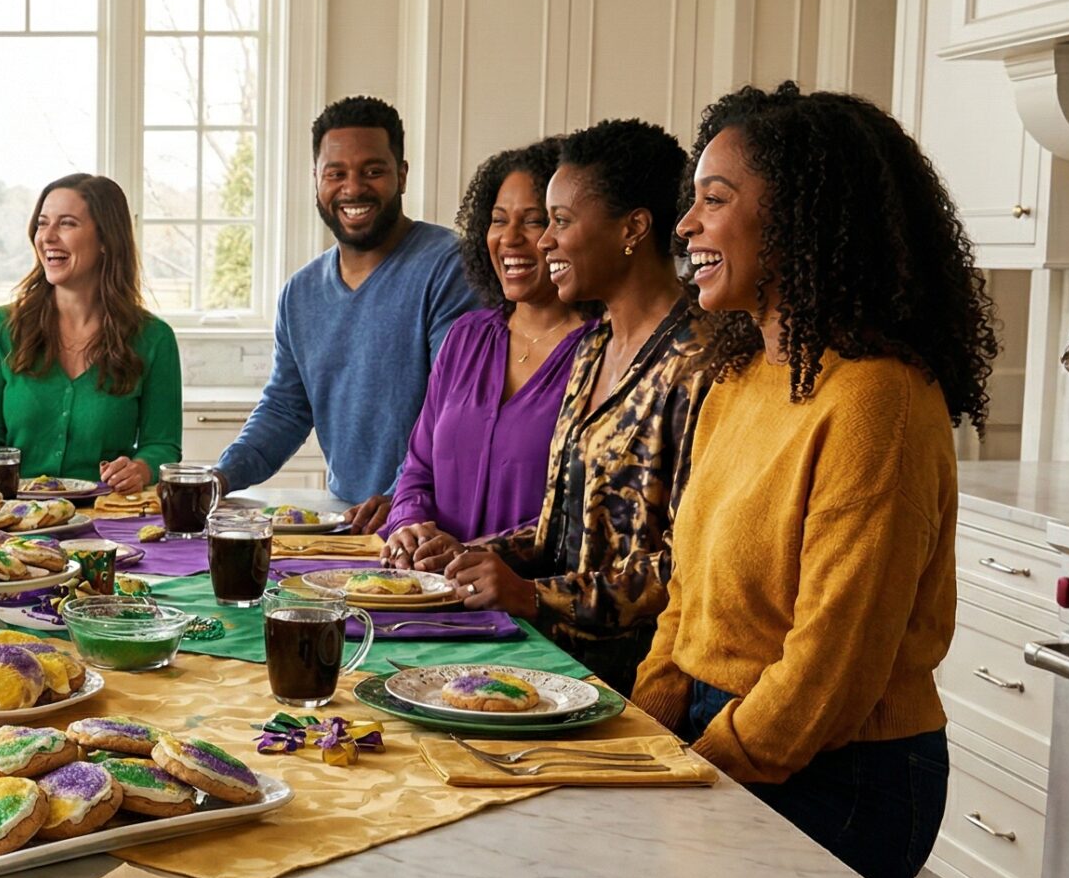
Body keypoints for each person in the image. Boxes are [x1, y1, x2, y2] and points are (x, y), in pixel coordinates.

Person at [638, 84, 989, 878]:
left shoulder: (878, 397)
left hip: (838, 771)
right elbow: (687, 599)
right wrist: (635, 727)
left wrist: (692, 774)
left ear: (798, 217)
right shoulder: (738, 374)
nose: (686, 227)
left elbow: (830, 671)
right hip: (725, 730)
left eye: (712, 200)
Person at [444, 119, 706, 694]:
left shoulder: (699, 361)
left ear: (633, 228)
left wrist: (531, 594)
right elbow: (562, 524)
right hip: (552, 664)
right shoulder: (593, 345)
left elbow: (685, 570)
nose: (542, 241)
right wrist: (464, 558)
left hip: (642, 685)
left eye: (559, 221)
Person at [215, 96, 478, 528]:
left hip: (438, 520)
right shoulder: (299, 293)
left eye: (373, 171)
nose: (353, 189)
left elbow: (456, 407)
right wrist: (220, 478)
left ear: (403, 175)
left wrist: (402, 496)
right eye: (336, 173)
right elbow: (284, 410)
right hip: (349, 519)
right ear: (315, 179)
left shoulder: (450, 266)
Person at [381, 141, 596, 572]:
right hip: (437, 598)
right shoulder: (467, 338)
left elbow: (588, 511)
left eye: (533, 221)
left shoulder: (602, 351)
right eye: (498, 220)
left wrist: (475, 554)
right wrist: (410, 524)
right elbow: (418, 468)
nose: (510, 238)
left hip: (537, 609)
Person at [0, 174, 180, 493]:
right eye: (42, 223)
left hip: (106, 518)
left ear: (106, 239)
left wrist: (140, 470)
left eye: (67, 224)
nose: (46, 237)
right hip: (15, 522)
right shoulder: (2, 327)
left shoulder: (154, 339)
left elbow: (162, 446)